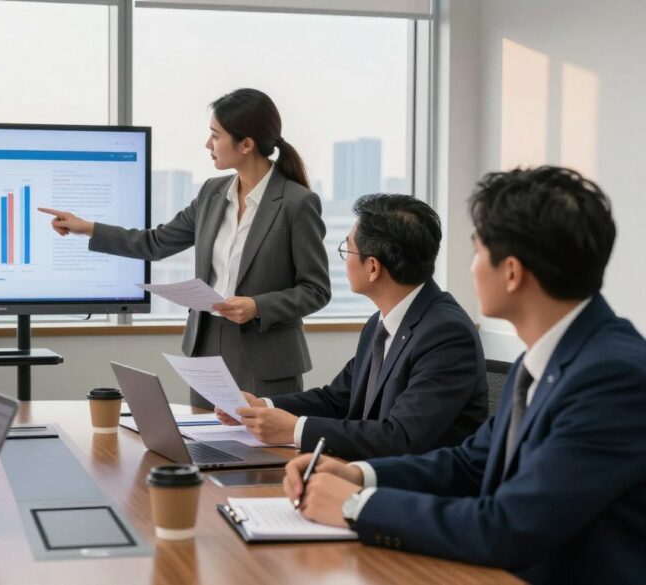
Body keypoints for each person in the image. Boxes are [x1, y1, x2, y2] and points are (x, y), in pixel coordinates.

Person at [282, 166, 646, 585]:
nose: (471, 269)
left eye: (476, 251)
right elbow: (471, 464)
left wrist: (356, 506)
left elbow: (509, 526)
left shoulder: (611, 377)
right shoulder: (549, 357)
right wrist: (358, 475)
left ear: (511, 272)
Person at [39, 88, 331, 407]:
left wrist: (257, 306)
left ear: (246, 144)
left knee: (264, 451)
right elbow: (156, 242)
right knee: (207, 446)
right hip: (206, 346)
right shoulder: (212, 193)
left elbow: (315, 289)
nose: (208, 145)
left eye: (215, 136)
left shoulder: (296, 203)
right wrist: (88, 228)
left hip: (266, 356)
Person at [217, 194, 487, 459]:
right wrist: (262, 406)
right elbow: (337, 399)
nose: (344, 261)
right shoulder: (381, 323)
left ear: (372, 267)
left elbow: (401, 437)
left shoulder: (446, 334)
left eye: (347, 249)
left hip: (419, 492)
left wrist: (294, 429)